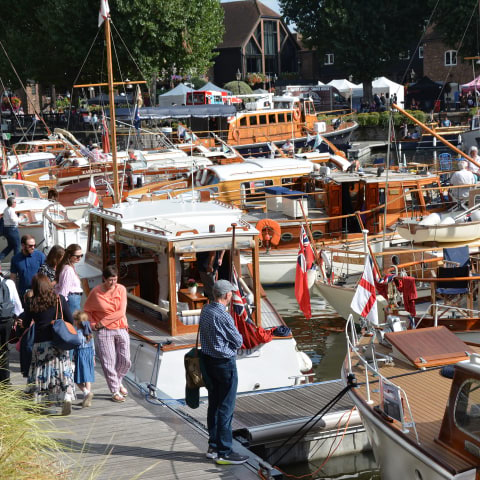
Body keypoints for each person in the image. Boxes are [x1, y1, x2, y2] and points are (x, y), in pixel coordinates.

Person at [199, 279, 248, 465]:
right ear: (227, 295)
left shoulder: (205, 310)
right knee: (225, 408)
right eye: (232, 294)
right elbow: (237, 340)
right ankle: (225, 451)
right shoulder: (223, 315)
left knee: (214, 405)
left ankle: (213, 445)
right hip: (224, 364)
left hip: (208, 362)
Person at [25, 274, 75, 414]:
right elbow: (70, 320)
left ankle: (40, 402)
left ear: (35, 287)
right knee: (63, 370)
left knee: (40, 372)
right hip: (58, 341)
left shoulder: (31, 302)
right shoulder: (59, 299)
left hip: (40, 343)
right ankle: (66, 396)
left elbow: (25, 322)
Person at [83, 265, 131, 403]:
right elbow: (87, 310)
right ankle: (115, 390)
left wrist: (102, 322)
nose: (113, 283)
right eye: (110, 280)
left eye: (115, 280)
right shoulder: (96, 293)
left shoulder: (121, 289)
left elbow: (121, 312)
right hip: (104, 332)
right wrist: (93, 325)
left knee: (125, 360)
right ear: (104, 279)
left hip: (121, 327)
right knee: (108, 361)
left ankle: (118, 380)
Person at [0, 273, 23, 383]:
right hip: (6, 320)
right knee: (4, 349)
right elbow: (17, 303)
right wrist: (20, 318)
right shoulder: (9, 283)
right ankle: (5, 380)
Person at [10, 235, 46, 300]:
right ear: (23, 245)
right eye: (30, 246)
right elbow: (13, 277)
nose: (33, 247)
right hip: (23, 294)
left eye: (34, 245)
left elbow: (45, 275)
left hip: (39, 293)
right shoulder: (15, 259)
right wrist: (13, 293)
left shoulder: (40, 256)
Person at [72, 311, 95, 408]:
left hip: (81, 355)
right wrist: (93, 357)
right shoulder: (89, 332)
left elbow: (74, 346)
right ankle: (87, 399)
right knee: (87, 378)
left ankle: (86, 392)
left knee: (75, 377)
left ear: (76, 322)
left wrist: (72, 358)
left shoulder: (76, 333)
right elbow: (93, 346)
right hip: (89, 355)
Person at [55, 244, 83, 313]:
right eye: (77, 256)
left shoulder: (67, 267)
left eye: (81, 255)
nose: (80, 258)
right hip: (72, 300)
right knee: (74, 322)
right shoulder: (68, 270)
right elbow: (64, 291)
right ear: (69, 255)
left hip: (73, 299)